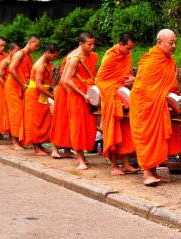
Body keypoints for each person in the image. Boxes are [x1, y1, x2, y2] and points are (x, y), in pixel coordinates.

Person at [129, 29, 181, 186]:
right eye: (170, 43)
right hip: (145, 106)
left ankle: (154, 173)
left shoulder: (169, 61)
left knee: (158, 140)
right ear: (159, 43)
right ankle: (147, 175)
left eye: (175, 42)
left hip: (158, 104)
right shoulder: (151, 60)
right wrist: (158, 98)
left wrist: (175, 93)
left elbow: (167, 84)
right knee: (147, 137)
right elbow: (141, 88)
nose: (174, 46)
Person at [95, 32, 139, 176]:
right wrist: (113, 91)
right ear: (120, 44)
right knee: (113, 129)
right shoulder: (110, 56)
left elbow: (125, 74)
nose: (130, 52)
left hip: (123, 91)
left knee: (126, 128)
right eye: (128, 48)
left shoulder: (126, 54)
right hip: (110, 94)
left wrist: (132, 80)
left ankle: (126, 164)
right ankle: (114, 165)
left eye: (131, 49)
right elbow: (100, 79)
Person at [63, 32, 97, 170]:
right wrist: (82, 94)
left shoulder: (93, 56)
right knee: (78, 125)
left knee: (89, 124)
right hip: (77, 95)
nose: (92, 47)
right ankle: (79, 158)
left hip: (89, 93)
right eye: (89, 44)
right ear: (81, 44)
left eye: (94, 43)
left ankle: (83, 154)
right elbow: (66, 80)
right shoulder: (74, 59)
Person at [19, 44, 59, 155]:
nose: (55, 59)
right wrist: (52, 97)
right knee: (34, 121)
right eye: (54, 56)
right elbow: (39, 85)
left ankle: (40, 145)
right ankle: (36, 148)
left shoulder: (48, 63)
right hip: (34, 95)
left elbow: (47, 81)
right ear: (48, 53)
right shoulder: (40, 66)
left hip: (42, 95)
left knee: (43, 120)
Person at [5, 35, 40, 150]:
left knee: (22, 113)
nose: (36, 48)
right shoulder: (20, 53)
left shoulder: (28, 56)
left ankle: (20, 140)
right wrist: (21, 84)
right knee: (15, 113)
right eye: (35, 46)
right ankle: (14, 141)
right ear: (30, 42)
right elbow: (11, 69)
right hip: (13, 86)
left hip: (22, 85)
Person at [49, 48, 80, 159]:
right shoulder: (73, 57)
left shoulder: (87, 56)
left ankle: (67, 149)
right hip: (65, 91)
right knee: (60, 120)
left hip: (73, 92)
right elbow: (64, 79)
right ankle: (55, 149)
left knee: (69, 122)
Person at [0, 42, 21, 144]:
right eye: (16, 51)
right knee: (1, 111)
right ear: (10, 51)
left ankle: (14, 136)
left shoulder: (17, 61)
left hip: (13, 89)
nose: (18, 53)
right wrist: (7, 89)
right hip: (3, 88)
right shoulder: (5, 62)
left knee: (12, 114)